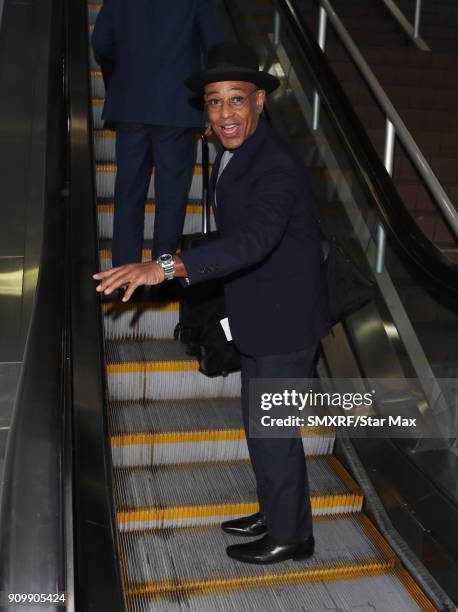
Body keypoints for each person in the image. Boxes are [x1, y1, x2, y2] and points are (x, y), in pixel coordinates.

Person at [94, 43, 331, 564]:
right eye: (215, 102)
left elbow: (256, 240)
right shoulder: (235, 151)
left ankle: (293, 536)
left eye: (237, 101)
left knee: (274, 436)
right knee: (261, 429)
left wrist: (163, 265)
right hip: (262, 316)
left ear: (260, 102)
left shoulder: (275, 165)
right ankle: (276, 512)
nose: (225, 114)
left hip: (285, 326)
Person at [91, 0, 220, 266]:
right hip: (178, 106)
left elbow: (101, 41)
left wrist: (120, 81)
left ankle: (123, 276)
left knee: (128, 192)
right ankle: (163, 275)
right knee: (171, 196)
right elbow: (214, 46)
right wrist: (214, 103)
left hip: (130, 106)